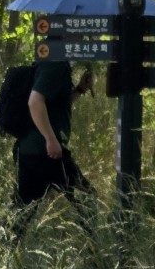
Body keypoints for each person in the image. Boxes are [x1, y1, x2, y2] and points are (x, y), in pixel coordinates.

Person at [11, 61, 94, 240]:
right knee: (88, 199)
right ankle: (96, 259)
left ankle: (5, 254)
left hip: (31, 151)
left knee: (24, 210)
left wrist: (79, 90)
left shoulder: (53, 62)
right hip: (46, 153)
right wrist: (50, 139)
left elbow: (53, 105)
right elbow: (35, 102)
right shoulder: (55, 64)